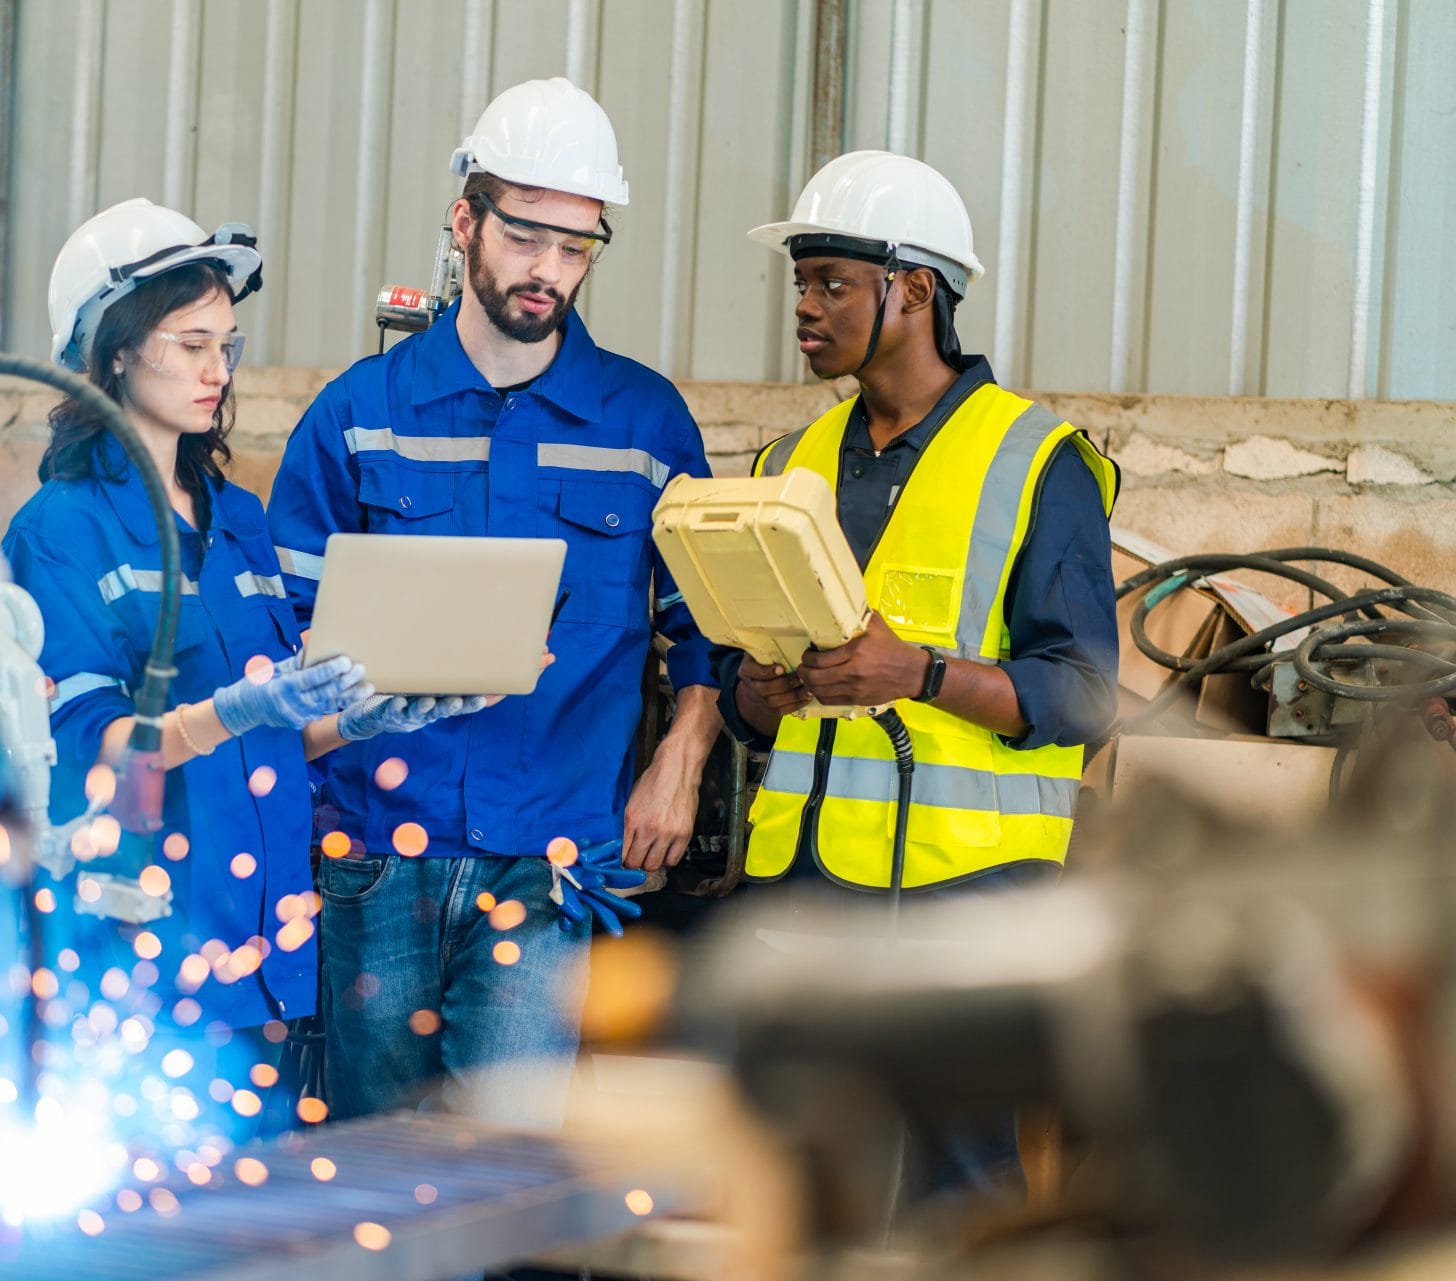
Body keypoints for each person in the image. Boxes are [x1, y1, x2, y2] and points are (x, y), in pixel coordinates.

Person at [266, 77, 722, 1129]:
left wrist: (681, 759)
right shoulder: (358, 419)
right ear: (464, 220)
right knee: (378, 1182)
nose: (549, 271)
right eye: (526, 237)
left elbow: (710, 632)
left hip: (550, 864)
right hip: (373, 857)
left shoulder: (644, 425)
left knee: (498, 1181)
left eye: (578, 247)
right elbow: (277, 647)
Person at [2, 199, 481, 1143]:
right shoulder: (60, 531)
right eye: (189, 344)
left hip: (262, 960)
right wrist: (236, 705)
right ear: (114, 352)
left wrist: (367, 719)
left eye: (227, 343)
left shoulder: (243, 522)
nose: (218, 369)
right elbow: (91, 750)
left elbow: (277, 725)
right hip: (140, 963)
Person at [720, 150, 1120, 1194]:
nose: (804, 307)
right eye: (800, 282)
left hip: (968, 901)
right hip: (803, 888)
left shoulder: (1039, 460)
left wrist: (922, 674)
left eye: (831, 283)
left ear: (915, 291)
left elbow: (1084, 695)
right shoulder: (784, 466)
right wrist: (751, 697)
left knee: (959, 1189)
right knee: (796, 1185)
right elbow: (748, 694)